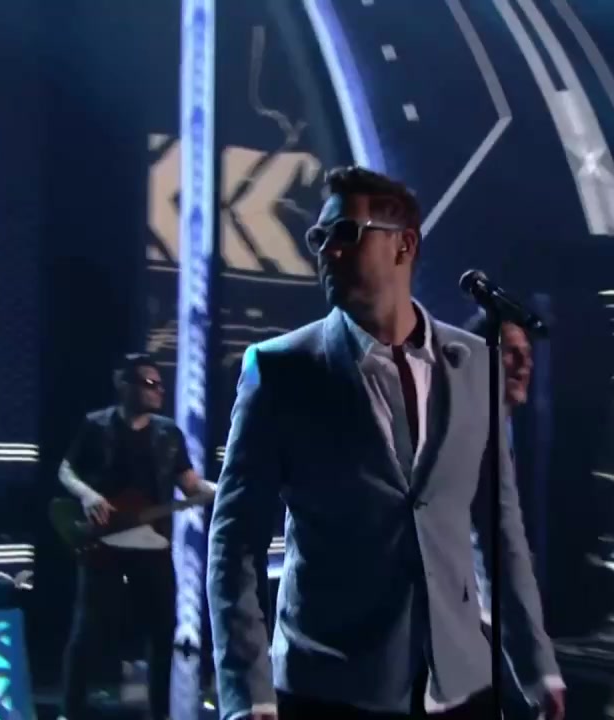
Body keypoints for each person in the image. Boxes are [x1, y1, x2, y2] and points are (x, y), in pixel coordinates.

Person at [208, 166, 565, 720]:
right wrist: (249, 696)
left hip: (462, 685)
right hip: (330, 686)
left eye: (345, 233)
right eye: (319, 237)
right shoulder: (280, 369)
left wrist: (538, 668)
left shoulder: (476, 365)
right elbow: (235, 544)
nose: (327, 250)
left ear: (405, 245)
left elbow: (502, 531)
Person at [58, 352, 216, 720]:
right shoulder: (95, 425)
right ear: (123, 384)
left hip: (153, 546)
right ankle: (71, 712)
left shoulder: (169, 434)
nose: (158, 390)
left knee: (162, 635)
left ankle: (160, 714)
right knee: (86, 633)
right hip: (104, 544)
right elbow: (66, 470)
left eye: (160, 384)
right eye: (148, 383)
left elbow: (191, 485)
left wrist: (225, 490)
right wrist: (88, 495)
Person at [463, 313, 539, 720]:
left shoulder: (504, 431)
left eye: (527, 354)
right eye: (512, 353)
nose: (524, 365)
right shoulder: (463, 433)